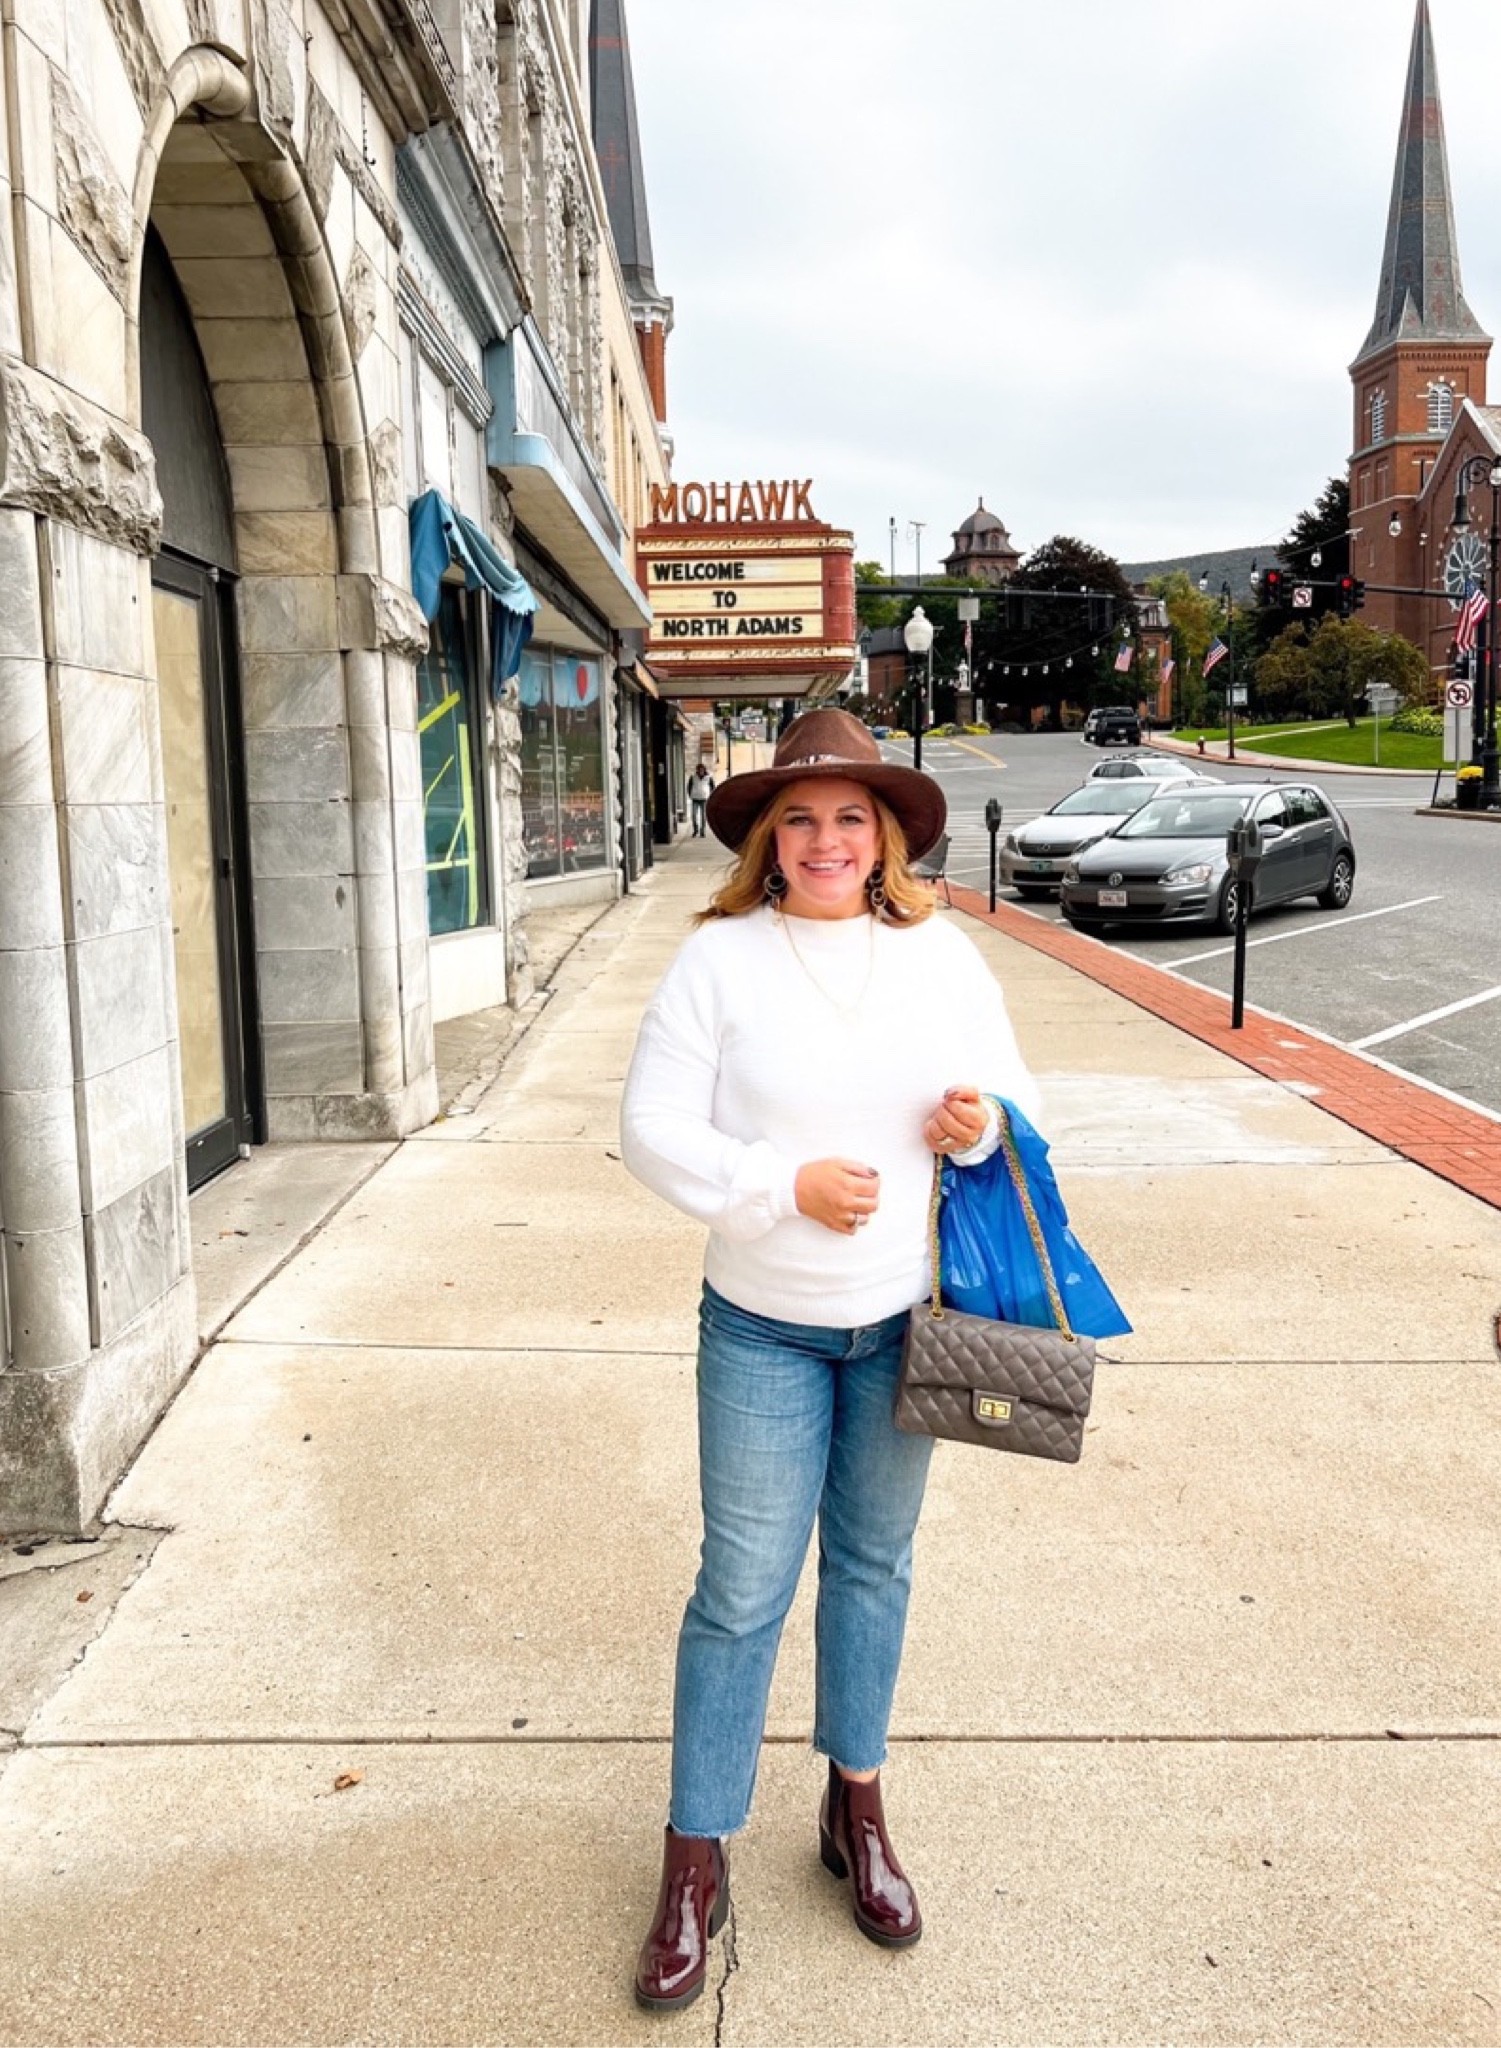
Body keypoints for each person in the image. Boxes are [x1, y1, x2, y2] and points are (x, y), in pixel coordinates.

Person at [620, 708, 1042, 2012]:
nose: (822, 839)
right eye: (796, 818)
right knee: (740, 1589)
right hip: (760, 1325)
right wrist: (776, 1183)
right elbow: (647, 1131)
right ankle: (696, 1855)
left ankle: (853, 1806)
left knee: (872, 1567)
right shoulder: (717, 964)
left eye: (848, 817)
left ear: (885, 836)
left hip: (903, 1320)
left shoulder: (940, 958)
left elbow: (1017, 1106)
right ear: (764, 835)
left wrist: (977, 1130)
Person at [686, 761, 715, 838]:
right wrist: (690, 795)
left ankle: (702, 831)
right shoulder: (693, 777)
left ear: (704, 770)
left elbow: (713, 788)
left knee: (703, 816)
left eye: (702, 769)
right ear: (697, 770)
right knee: (694, 816)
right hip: (695, 798)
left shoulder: (709, 778)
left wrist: (711, 797)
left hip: (705, 799)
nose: (701, 771)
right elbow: (689, 787)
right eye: (699, 770)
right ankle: (695, 830)